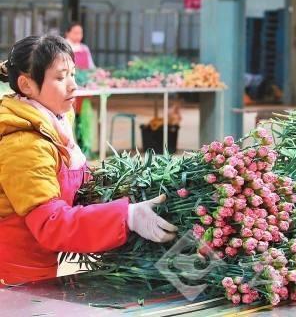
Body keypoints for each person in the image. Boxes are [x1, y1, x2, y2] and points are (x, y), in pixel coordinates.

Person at [0, 35, 177, 286]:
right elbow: (52, 225)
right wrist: (126, 215)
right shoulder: (24, 146)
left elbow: (80, 185)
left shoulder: (55, 124)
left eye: (73, 74)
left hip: (40, 267)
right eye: (60, 78)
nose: (73, 85)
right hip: (13, 278)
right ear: (27, 85)